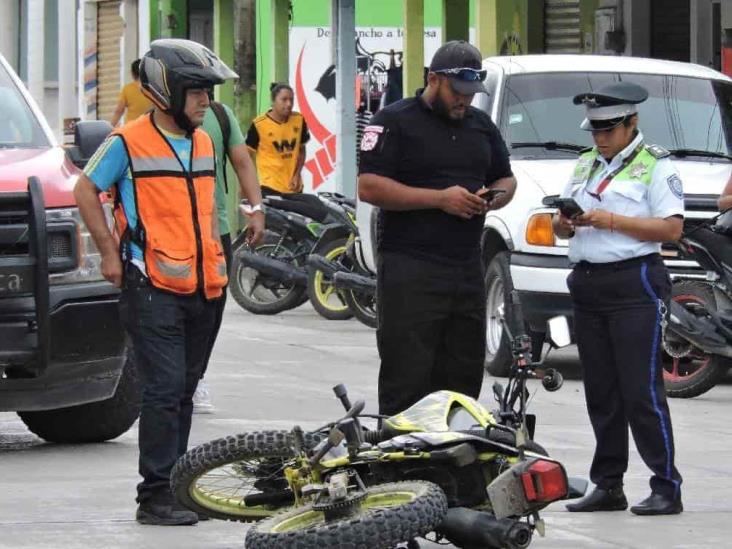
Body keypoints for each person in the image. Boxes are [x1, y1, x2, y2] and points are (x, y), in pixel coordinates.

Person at [74, 39, 239, 526]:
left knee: (185, 388)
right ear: (166, 91)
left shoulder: (205, 141)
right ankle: (155, 498)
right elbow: (86, 188)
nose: (206, 102)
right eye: (197, 92)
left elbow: (207, 213)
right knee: (164, 389)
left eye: (208, 92)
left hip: (206, 283)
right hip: (150, 285)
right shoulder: (128, 140)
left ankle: (177, 488)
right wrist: (108, 252)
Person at [358, 40, 517, 416]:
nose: (465, 101)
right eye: (457, 92)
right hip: (410, 268)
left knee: (461, 377)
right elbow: (370, 187)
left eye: (471, 94)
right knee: (408, 375)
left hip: (465, 268)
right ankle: (401, 467)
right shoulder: (394, 121)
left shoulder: (481, 126)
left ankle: (451, 467)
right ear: (433, 79)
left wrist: (493, 197)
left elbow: (506, 179)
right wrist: (440, 199)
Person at [554, 82, 684, 516]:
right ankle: (608, 484)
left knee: (640, 391)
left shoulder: (655, 166)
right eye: (594, 129)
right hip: (588, 283)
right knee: (601, 392)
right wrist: (565, 224)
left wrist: (610, 220)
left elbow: (670, 230)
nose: (600, 137)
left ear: (633, 123)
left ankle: (666, 485)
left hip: (635, 283)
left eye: (609, 128)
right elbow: (560, 229)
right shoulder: (585, 164)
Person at [192, 100, 265, 413]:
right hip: (166, 232)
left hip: (215, 230)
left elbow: (242, 162)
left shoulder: (220, 116)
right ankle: (173, 376)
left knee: (212, 308)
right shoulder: (152, 122)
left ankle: (196, 375)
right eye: (195, 87)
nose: (202, 96)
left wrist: (256, 209)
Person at [246, 83, 310, 195]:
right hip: (269, 187)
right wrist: (248, 184)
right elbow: (246, 156)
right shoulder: (259, 125)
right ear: (273, 101)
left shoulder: (299, 120)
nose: (289, 104)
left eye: (291, 100)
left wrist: (297, 174)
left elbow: (301, 149)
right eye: (284, 100)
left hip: (294, 187)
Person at [110, 59, 153, 127]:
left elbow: (119, 111)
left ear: (132, 73)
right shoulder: (153, 89)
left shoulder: (127, 89)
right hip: (150, 127)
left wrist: (110, 127)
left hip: (131, 128)